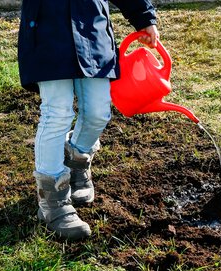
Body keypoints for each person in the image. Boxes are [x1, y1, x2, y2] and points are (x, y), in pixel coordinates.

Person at [17, 0, 159, 240]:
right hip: (47, 32)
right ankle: (53, 203)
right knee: (57, 113)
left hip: (92, 31)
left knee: (97, 112)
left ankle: (77, 162)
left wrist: (144, 18)